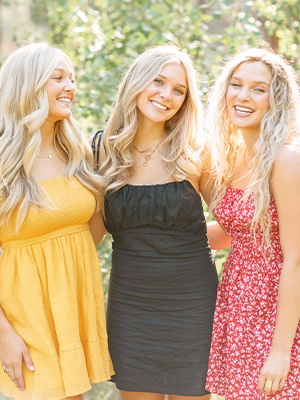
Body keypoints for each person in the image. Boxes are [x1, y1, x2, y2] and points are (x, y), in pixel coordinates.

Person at [90, 45, 219, 400]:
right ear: (136, 81)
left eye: (179, 90)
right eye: (158, 81)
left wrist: (184, 241)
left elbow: (233, 225)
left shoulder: (196, 150)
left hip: (193, 305)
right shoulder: (101, 151)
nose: (167, 95)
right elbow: (91, 235)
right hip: (130, 307)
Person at [0, 42, 114, 400]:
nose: (71, 87)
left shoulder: (78, 153)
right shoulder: (4, 160)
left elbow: (90, 233)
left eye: (72, 79)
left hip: (69, 311)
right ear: (28, 85)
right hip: (21, 316)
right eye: (58, 78)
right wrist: (4, 335)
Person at [204, 47, 300, 399]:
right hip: (239, 307)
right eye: (237, 84)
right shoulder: (233, 155)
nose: (243, 96)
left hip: (278, 312)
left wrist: (280, 351)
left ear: (276, 99)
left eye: (259, 89)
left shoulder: (287, 160)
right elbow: (237, 235)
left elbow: (296, 259)